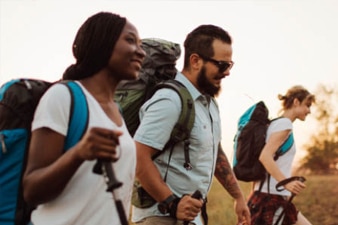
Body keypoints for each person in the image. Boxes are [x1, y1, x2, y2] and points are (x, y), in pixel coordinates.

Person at [23, 12, 146, 225]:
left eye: (141, 44)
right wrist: (78, 154)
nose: (141, 52)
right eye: (130, 40)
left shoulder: (117, 111)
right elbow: (32, 190)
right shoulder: (62, 96)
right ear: (102, 42)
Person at [131, 24, 250, 225]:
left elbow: (214, 150)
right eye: (222, 65)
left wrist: (238, 197)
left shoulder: (209, 103)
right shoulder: (169, 100)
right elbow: (137, 156)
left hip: (191, 217)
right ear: (195, 61)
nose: (227, 72)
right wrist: (172, 203)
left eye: (230, 65)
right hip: (161, 216)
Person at [248, 85, 315, 225]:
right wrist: (286, 182)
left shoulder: (275, 124)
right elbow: (265, 156)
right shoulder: (285, 125)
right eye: (307, 105)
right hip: (271, 198)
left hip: (272, 196)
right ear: (296, 102)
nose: (309, 111)